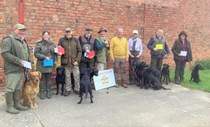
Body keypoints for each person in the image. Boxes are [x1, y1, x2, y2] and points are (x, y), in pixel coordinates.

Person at [1, 23, 30, 114]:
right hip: (12, 69)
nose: (22, 32)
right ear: (15, 30)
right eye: (20, 30)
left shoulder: (23, 40)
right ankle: (9, 106)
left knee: (18, 88)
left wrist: (28, 64)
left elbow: (26, 54)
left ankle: (17, 104)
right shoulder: (8, 40)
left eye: (23, 30)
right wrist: (19, 62)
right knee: (10, 88)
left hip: (21, 69)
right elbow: (5, 54)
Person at [58, 27, 82, 96]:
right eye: (67, 32)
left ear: (72, 32)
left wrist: (77, 61)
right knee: (67, 76)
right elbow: (58, 49)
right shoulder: (61, 40)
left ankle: (77, 89)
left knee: (76, 76)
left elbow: (80, 51)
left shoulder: (76, 40)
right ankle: (68, 89)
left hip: (75, 62)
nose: (68, 33)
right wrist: (59, 53)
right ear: (65, 33)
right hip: (66, 62)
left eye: (69, 32)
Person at [34, 31, 57, 99]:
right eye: (44, 35)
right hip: (41, 64)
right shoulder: (39, 44)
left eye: (47, 35)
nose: (46, 36)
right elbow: (36, 54)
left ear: (49, 36)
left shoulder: (53, 44)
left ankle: (49, 92)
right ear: (42, 36)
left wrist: (55, 60)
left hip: (50, 64)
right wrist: (44, 57)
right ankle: (42, 92)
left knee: (49, 79)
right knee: (42, 80)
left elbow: (55, 54)